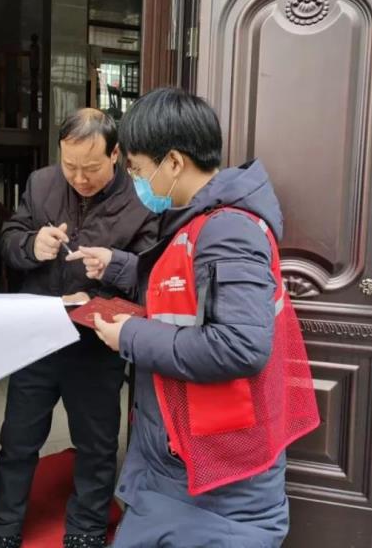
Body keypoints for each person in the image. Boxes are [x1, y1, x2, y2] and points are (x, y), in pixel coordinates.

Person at [67, 88, 320, 547]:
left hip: (218, 474)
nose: (136, 181)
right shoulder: (203, 219)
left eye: (138, 170)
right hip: (184, 459)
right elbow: (186, 288)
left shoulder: (229, 229)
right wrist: (118, 266)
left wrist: (130, 336)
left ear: (173, 162)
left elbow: (239, 346)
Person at [0, 109, 158, 548]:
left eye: (90, 168)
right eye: (70, 165)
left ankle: (87, 529)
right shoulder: (41, 183)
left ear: (115, 154)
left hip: (97, 340)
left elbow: (152, 273)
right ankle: (0, 528)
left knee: (96, 443)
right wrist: (30, 245)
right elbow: (7, 240)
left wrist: (114, 267)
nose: (79, 178)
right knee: (18, 437)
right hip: (37, 332)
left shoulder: (143, 198)